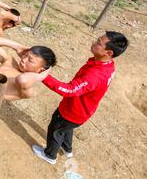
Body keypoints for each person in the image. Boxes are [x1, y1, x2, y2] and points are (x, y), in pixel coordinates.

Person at [32, 31, 129, 165]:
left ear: (109, 53)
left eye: (99, 43)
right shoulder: (107, 65)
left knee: (56, 130)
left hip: (72, 111)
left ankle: (50, 155)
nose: (94, 43)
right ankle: (67, 149)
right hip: (82, 111)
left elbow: (69, 90)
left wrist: (43, 75)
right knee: (67, 129)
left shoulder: (95, 75)